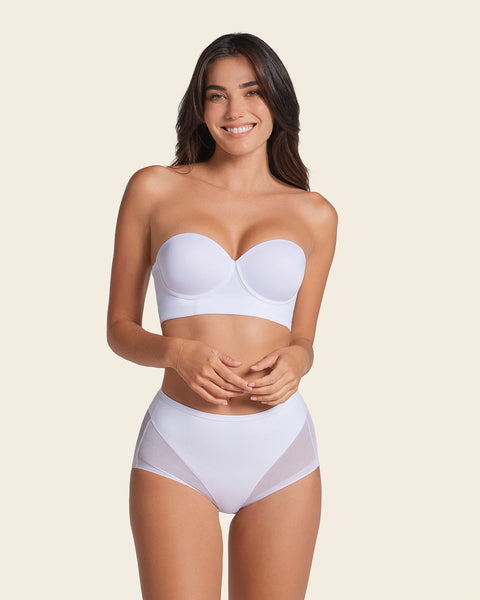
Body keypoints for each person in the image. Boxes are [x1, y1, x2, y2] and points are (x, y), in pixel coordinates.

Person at [107, 32, 338, 600]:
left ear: (276, 100)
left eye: (251, 91)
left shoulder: (316, 214)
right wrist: (174, 352)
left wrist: (298, 361)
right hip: (179, 445)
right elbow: (119, 329)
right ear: (200, 107)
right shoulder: (154, 188)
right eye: (217, 95)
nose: (235, 110)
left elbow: (304, 338)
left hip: (280, 446)